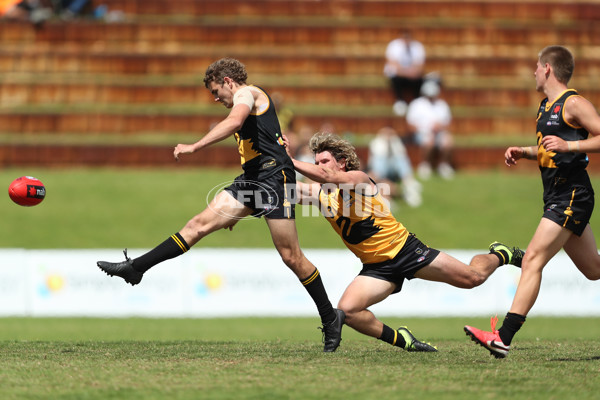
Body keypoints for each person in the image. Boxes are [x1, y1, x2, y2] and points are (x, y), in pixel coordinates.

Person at [97, 58, 345, 353]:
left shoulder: (247, 94)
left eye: (216, 92)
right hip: (251, 180)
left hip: (274, 179)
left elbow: (235, 122)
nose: (216, 99)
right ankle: (136, 268)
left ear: (229, 81)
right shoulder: (242, 98)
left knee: (291, 257)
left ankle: (330, 319)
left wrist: (194, 146)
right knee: (196, 226)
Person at [283, 132, 523, 352]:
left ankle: (500, 254)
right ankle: (403, 340)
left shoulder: (359, 179)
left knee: (473, 278)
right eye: (316, 163)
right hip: (377, 267)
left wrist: (290, 161)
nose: (319, 167)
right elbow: (285, 190)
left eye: (324, 161)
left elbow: (328, 176)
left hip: (405, 251)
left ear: (342, 162)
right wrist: (273, 157)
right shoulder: (322, 194)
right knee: (348, 311)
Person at [464, 45, 600, 358]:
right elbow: (550, 147)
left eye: (537, 67)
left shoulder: (574, 103)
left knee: (533, 258)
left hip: (572, 194)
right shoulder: (544, 106)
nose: (534, 72)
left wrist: (571, 144)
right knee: (593, 269)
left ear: (548, 69)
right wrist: (525, 152)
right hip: (555, 195)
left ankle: (502, 338)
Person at [406, 79, 455, 180]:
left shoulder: (442, 104)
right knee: (429, 140)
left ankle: (443, 165)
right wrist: (426, 129)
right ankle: (425, 165)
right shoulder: (416, 104)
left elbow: (448, 123)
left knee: (447, 141)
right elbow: (410, 125)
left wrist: (439, 127)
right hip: (421, 133)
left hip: (439, 133)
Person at [367, 126, 422, 207]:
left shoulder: (396, 142)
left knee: (400, 159)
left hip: (393, 170)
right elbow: (376, 156)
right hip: (380, 172)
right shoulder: (377, 143)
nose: (388, 135)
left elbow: (401, 153)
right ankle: (407, 186)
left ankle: (409, 184)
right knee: (381, 160)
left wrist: (392, 141)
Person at [383, 30, 425, 116]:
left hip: (412, 75)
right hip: (399, 75)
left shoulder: (417, 47)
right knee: (396, 79)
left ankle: (416, 103)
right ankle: (399, 101)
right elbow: (393, 65)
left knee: (420, 80)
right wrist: (407, 72)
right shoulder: (394, 46)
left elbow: (420, 66)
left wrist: (412, 72)